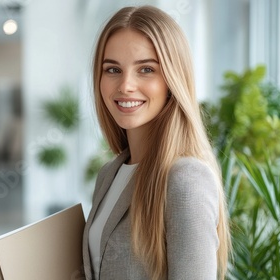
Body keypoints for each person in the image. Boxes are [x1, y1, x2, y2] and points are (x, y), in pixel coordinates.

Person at [83, 6, 230, 280]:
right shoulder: (109, 174)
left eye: (146, 69)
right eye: (113, 69)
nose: (125, 85)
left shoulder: (185, 179)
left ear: (173, 80)